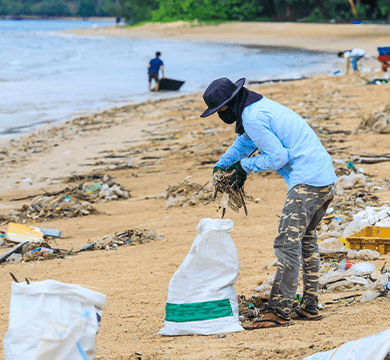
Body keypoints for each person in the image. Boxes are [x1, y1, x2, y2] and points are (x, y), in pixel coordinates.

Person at [200, 77, 337, 329]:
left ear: (229, 105)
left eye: (219, 111)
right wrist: (223, 163)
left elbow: (277, 157)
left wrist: (244, 166)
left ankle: (278, 311)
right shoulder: (255, 109)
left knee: (287, 244)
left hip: (308, 182)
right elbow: (244, 143)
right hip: (324, 180)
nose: (220, 115)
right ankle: (309, 306)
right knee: (305, 241)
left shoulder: (252, 118)